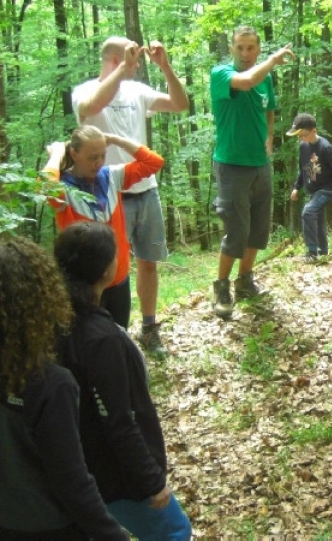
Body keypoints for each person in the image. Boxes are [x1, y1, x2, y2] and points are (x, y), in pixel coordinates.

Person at [54, 221, 192, 541]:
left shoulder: (54, 319)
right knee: (174, 532)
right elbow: (118, 419)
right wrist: (151, 481)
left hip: (79, 464)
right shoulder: (98, 339)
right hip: (113, 473)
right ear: (105, 269)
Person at [0, 237, 130, 540]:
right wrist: (115, 535)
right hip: (50, 526)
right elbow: (72, 482)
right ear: (43, 297)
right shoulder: (50, 383)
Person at [72, 36, 189, 354]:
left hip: (144, 189)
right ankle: (106, 334)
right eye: (131, 57)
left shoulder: (137, 92)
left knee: (148, 262)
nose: (137, 63)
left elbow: (180, 104)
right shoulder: (85, 90)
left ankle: (149, 328)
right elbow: (89, 109)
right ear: (113, 58)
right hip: (107, 196)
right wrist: (124, 67)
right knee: (106, 268)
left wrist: (166, 68)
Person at [44, 125, 165, 336]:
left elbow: (154, 162)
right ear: (74, 153)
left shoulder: (111, 176)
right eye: (92, 157)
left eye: (102, 155)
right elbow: (43, 187)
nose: (99, 162)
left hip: (117, 276)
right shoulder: (62, 189)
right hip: (83, 284)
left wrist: (116, 139)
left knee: (119, 335)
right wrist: (56, 154)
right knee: (87, 342)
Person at [209, 25, 295, 318]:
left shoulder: (266, 79)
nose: (245, 53)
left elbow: (268, 107)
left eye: (250, 48)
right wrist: (271, 61)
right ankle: (221, 286)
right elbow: (245, 82)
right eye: (240, 48)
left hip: (260, 163)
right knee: (236, 230)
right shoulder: (221, 74)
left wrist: (269, 135)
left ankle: (245, 281)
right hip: (231, 164)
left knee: (258, 229)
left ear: (257, 49)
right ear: (232, 49)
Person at [287, 112, 332, 262]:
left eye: (303, 135)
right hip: (313, 190)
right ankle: (323, 250)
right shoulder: (303, 146)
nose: (301, 138)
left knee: (308, 212)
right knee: (318, 216)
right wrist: (297, 187)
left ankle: (312, 252)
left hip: (326, 189)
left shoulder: (325, 147)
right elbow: (303, 168)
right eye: (298, 136)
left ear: (313, 131)